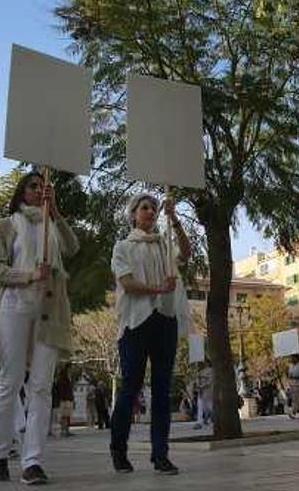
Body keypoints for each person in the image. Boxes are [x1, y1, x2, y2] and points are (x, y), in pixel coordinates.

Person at [0, 171, 80, 484]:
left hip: (49, 310)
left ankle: (32, 461)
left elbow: (72, 247)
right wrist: (29, 276)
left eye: (43, 186)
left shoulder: (52, 225)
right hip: (14, 306)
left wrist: (56, 212)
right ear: (21, 191)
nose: (39, 190)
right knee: (10, 381)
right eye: (33, 186)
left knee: (41, 385)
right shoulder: (4, 226)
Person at [110, 193, 191, 476]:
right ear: (133, 214)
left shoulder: (163, 245)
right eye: (145, 208)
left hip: (164, 320)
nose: (150, 212)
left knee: (161, 390)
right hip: (135, 323)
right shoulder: (123, 247)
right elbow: (128, 283)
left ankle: (160, 454)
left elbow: (186, 252)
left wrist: (175, 219)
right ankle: (118, 449)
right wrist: (158, 290)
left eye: (154, 209)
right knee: (130, 387)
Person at [54, 365, 75, 437]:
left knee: (67, 415)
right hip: (65, 399)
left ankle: (66, 429)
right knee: (64, 416)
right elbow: (61, 390)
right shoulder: (62, 380)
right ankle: (64, 430)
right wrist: (63, 397)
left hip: (68, 399)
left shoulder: (68, 379)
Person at [194, 360, 214, 429]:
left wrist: (201, 385)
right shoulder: (201, 371)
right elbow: (197, 380)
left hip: (208, 391)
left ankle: (209, 420)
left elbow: (210, 381)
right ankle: (201, 422)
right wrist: (198, 384)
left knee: (209, 407)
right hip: (202, 391)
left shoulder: (211, 371)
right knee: (201, 407)